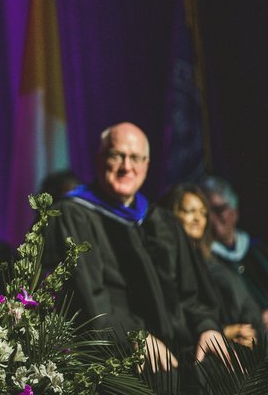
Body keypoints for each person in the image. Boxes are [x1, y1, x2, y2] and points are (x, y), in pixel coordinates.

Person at [42, 123, 228, 372]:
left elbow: (192, 292)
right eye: (117, 155)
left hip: (184, 361)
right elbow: (86, 298)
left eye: (135, 158)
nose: (126, 167)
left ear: (147, 165)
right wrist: (131, 336)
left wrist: (207, 327)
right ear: (100, 159)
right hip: (120, 366)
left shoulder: (162, 222)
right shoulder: (72, 216)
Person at [199, 175, 268, 358]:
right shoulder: (203, 263)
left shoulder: (264, 253)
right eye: (206, 212)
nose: (213, 219)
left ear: (234, 211)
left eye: (219, 209)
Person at [164, 183, 258, 349]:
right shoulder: (166, 261)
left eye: (203, 213)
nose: (198, 218)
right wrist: (223, 332)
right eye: (190, 211)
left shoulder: (208, 261)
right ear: (171, 213)